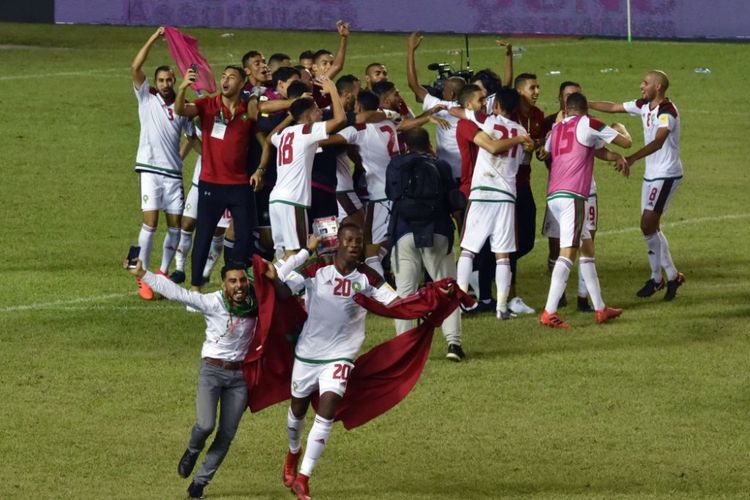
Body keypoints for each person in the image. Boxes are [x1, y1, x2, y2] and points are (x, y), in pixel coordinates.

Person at [124, 258, 276, 499]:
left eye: (242, 280)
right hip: (212, 372)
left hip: (239, 377)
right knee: (206, 425)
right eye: (233, 281)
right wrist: (143, 273)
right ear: (223, 283)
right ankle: (193, 450)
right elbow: (177, 293)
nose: (239, 286)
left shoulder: (256, 303)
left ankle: (199, 484)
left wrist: (303, 254)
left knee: (226, 435)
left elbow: (284, 277)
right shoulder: (212, 302)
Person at [277, 223, 400, 500]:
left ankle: (304, 477)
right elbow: (284, 292)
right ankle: (293, 451)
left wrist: (427, 302)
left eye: (359, 241)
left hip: (342, 354)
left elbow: (396, 304)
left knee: (328, 409)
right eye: (349, 240)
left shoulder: (369, 277)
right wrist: (275, 274)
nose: (355, 245)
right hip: (309, 351)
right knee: (297, 409)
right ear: (339, 242)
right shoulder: (317, 268)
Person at [589, 70, 686, 300]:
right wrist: (585, 104)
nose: (641, 86)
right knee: (650, 227)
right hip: (652, 175)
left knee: (647, 224)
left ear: (658, 87)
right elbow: (614, 107)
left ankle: (658, 278)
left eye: (646, 83)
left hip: (666, 174)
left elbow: (659, 141)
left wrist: (632, 158)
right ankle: (669, 276)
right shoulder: (644, 105)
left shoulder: (667, 112)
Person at [540, 92, 632, 328]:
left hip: (554, 194)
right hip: (573, 195)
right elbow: (625, 142)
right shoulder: (589, 123)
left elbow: (589, 150)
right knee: (568, 253)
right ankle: (549, 312)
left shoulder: (557, 128)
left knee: (587, 248)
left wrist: (614, 157)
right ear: (584, 109)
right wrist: (620, 127)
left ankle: (600, 308)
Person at [174, 65, 261, 291]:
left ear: (242, 83)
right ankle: (195, 288)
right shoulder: (207, 105)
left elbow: (259, 116)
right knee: (203, 233)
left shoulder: (247, 108)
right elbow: (181, 110)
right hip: (211, 182)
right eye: (223, 76)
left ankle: (233, 279)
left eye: (231, 77)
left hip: (239, 184)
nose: (225, 80)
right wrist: (183, 88)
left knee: (244, 234)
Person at [386, 128, 467, 360]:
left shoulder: (396, 165)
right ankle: (453, 344)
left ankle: (404, 349)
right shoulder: (440, 165)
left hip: (403, 232)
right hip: (437, 231)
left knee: (405, 293)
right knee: (446, 289)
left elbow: (391, 194)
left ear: (406, 146)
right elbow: (454, 201)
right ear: (429, 144)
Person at [454, 88, 534, 319]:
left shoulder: (486, 121)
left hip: (482, 192)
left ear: (496, 105)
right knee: (503, 255)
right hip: (507, 195)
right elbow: (519, 163)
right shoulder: (521, 132)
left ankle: (460, 301)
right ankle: (501, 307)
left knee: (468, 249)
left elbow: (462, 113)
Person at [130, 27, 196, 300]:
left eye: (170, 79)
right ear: (156, 80)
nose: (166, 83)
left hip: (173, 174)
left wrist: (179, 158)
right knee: (150, 223)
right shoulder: (147, 96)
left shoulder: (183, 107)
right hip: (149, 170)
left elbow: (191, 138)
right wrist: (155, 39)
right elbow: (135, 66)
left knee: (175, 227)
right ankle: (142, 275)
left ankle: (163, 272)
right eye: (162, 79)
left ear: (175, 81)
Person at [268, 77, 346, 259]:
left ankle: (276, 285)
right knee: (298, 254)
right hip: (294, 200)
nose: (320, 113)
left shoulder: (285, 133)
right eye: (317, 110)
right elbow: (340, 120)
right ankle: (290, 287)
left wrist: (291, 116)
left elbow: (270, 137)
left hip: (276, 199)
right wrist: (333, 90)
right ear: (309, 117)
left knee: (285, 254)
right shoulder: (307, 131)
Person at [541, 81, 598, 312]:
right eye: (568, 95)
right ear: (560, 99)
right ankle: (554, 304)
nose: (571, 98)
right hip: (565, 193)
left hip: (583, 191)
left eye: (576, 94)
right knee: (561, 249)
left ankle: (590, 302)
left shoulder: (585, 122)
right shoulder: (553, 124)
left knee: (587, 246)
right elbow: (542, 154)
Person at [406, 32, 465, 182]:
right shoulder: (470, 110)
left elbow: (413, 84)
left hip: (445, 171)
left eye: (444, 89)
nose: (441, 90)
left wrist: (411, 50)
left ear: (451, 93)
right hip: (467, 171)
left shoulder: (440, 106)